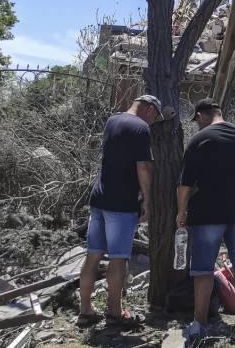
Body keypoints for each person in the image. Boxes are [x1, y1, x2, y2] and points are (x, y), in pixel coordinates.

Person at [77, 95, 161, 329]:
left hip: (99, 197)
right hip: (122, 203)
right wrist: (148, 199)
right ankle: (114, 312)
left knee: (93, 255)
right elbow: (144, 167)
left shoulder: (112, 121)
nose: (153, 121)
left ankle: (85, 311)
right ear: (149, 109)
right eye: (155, 115)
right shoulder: (141, 127)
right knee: (118, 258)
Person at [178, 99, 235, 343]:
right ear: (220, 113)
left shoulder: (199, 140)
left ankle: (199, 323)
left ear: (201, 115)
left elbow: (185, 184)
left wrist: (181, 212)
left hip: (207, 213)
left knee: (202, 269)